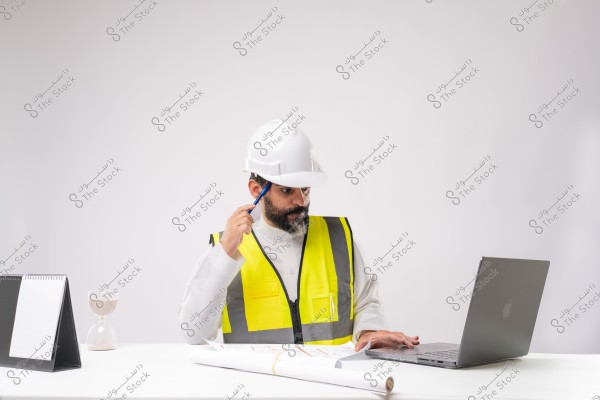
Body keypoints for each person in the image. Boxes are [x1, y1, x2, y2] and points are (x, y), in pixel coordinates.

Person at [177, 119, 419, 351]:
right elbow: (193, 334)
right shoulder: (227, 249)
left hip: (332, 386)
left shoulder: (338, 239)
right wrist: (225, 255)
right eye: (286, 190)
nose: (301, 201)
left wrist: (369, 333)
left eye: (305, 188)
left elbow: (366, 304)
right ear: (256, 190)